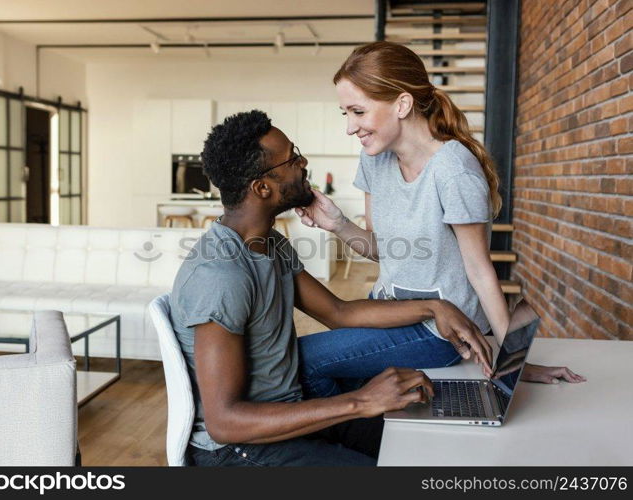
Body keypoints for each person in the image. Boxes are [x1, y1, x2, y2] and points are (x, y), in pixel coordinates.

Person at [170, 110, 493, 466]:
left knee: (424, 446)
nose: (303, 162)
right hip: (241, 450)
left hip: (288, 416)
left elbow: (340, 313)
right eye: (292, 158)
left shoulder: (269, 244)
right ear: (262, 188)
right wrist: (361, 401)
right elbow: (224, 422)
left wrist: (434, 307)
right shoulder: (220, 274)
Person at [295, 41, 585, 385]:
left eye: (359, 112)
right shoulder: (374, 159)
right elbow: (383, 250)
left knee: (301, 362)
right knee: (300, 363)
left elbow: (480, 272)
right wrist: (338, 225)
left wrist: (516, 362)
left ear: (402, 104)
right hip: (388, 309)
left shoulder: (453, 170)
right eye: (346, 114)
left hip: (440, 331)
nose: (350, 127)